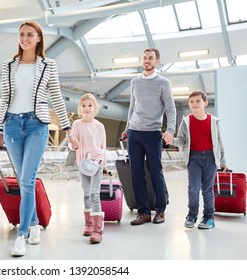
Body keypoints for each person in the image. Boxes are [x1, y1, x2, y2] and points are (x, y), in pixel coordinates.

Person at [0, 21, 76, 257]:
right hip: (11, 126)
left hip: (36, 125)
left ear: (39, 38)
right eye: (21, 35)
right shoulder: (8, 65)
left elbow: (57, 98)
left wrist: (68, 130)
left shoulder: (48, 65)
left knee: (27, 180)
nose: (25, 38)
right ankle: (35, 223)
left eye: (30, 35)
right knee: (23, 180)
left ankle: (22, 235)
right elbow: (4, 99)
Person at [121, 48, 176, 226]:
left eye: (150, 58)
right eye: (144, 58)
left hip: (153, 133)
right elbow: (132, 107)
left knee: (155, 172)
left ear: (157, 61)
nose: (146, 60)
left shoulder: (163, 82)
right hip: (134, 132)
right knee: (136, 173)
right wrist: (127, 127)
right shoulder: (135, 82)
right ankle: (143, 212)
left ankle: (160, 210)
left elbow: (171, 108)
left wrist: (170, 130)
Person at [172, 90, 227, 229]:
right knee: (193, 188)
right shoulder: (186, 121)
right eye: (191, 101)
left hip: (211, 158)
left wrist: (223, 162)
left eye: (198, 101)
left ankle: (209, 217)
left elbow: (219, 142)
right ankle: (192, 214)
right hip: (193, 158)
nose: (194, 104)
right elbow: (181, 140)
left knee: (207, 189)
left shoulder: (213, 121)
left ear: (205, 103)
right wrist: (171, 140)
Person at [70, 93, 108, 244]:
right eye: (84, 105)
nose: (86, 108)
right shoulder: (76, 125)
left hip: (97, 163)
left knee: (94, 194)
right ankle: (89, 224)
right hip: (83, 164)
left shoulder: (100, 126)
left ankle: (98, 230)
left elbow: (103, 147)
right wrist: (74, 144)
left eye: (90, 105)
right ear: (80, 108)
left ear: (95, 108)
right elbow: (72, 142)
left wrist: (104, 165)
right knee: (86, 194)